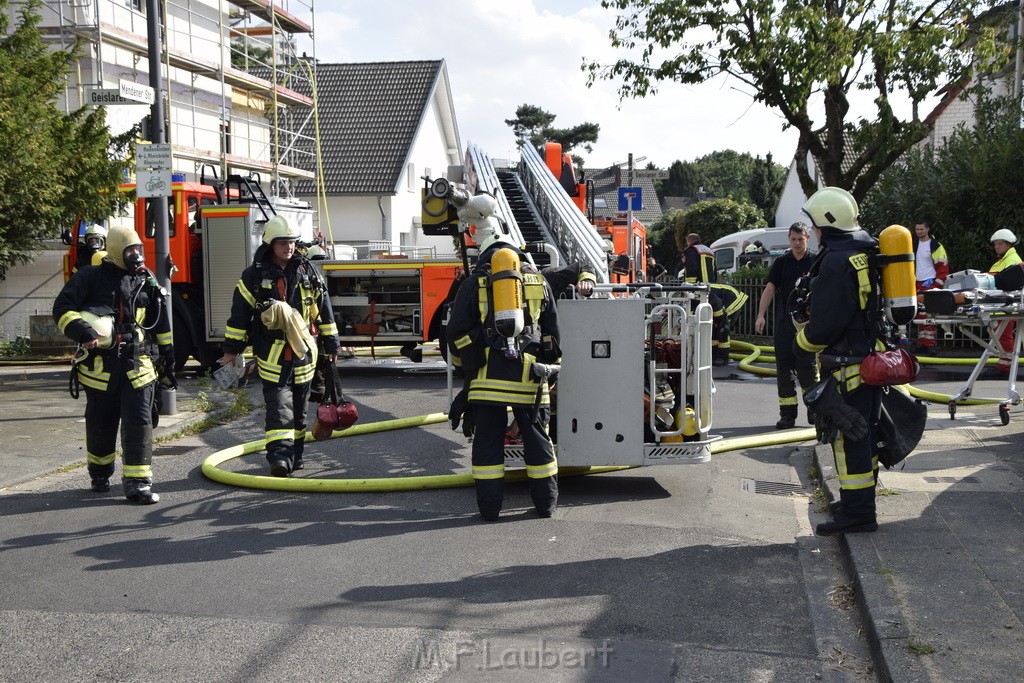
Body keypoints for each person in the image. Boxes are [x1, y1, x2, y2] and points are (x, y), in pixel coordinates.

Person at [52, 226, 173, 504]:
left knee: (139, 423)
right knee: (101, 425)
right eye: (130, 250)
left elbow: (160, 322)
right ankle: (100, 473)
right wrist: (83, 330)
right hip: (101, 370)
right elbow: (62, 307)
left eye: (139, 250)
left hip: (138, 366)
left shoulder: (146, 280)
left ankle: (138, 484)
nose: (136, 255)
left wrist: (167, 356)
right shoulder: (90, 277)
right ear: (117, 250)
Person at [446, 229, 561, 522]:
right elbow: (553, 335)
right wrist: (548, 372)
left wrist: (468, 369)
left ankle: (489, 509)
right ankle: (546, 506)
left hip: (486, 383)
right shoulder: (539, 282)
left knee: (487, 444)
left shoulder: (475, 283)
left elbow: (455, 334)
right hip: (531, 380)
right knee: (538, 441)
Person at [220, 215, 340, 477]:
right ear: (270, 244)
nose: (289, 247)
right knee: (278, 409)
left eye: (292, 242)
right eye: (283, 242)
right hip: (272, 356)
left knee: (299, 411)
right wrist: (231, 351)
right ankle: (279, 457)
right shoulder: (253, 277)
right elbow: (239, 317)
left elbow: (324, 311)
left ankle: (295, 455)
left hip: (305, 357)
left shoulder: (307, 271)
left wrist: (332, 345)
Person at [794, 187, 881, 535]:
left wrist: (803, 343)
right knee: (865, 432)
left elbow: (826, 324)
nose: (813, 231)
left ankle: (858, 515)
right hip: (867, 356)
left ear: (827, 223)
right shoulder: (862, 252)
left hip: (847, 364)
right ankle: (858, 503)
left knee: (848, 436)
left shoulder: (835, 261)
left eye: (815, 225)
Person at [754, 222, 818, 429]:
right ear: (789, 239)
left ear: (808, 238)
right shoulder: (782, 262)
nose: (797, 243)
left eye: (801, 239)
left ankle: (814, 411)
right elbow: (770, 289)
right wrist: (761, 315)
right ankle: (787, 415)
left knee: (807, 367)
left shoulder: (816, 261)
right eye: (793, 239)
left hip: (808, 323)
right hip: (785, 322)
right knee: (784, 368)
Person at [985, 229, 1022, 378]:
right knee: (1002, 334)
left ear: (1008, 244)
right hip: (1005, 303)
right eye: (995, 244)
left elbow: (999, 281)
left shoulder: (1011, 260)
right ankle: (1005, 364)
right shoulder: (1005, 259)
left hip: (1007, 303)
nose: (996, 246)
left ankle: (1005, 367)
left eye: (999, 243)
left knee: (1004, 335)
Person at [910, 220, 949, 355]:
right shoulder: (913, 245)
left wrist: (936, 285)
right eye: (917, 229)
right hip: (917, 283)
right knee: (920, 314)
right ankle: (923, 343)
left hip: (930, 283)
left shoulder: (936, 246)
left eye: (921, 229)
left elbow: (943, 267)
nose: (919, 232)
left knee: (929, 314)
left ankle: (930, 345)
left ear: (927, 229)